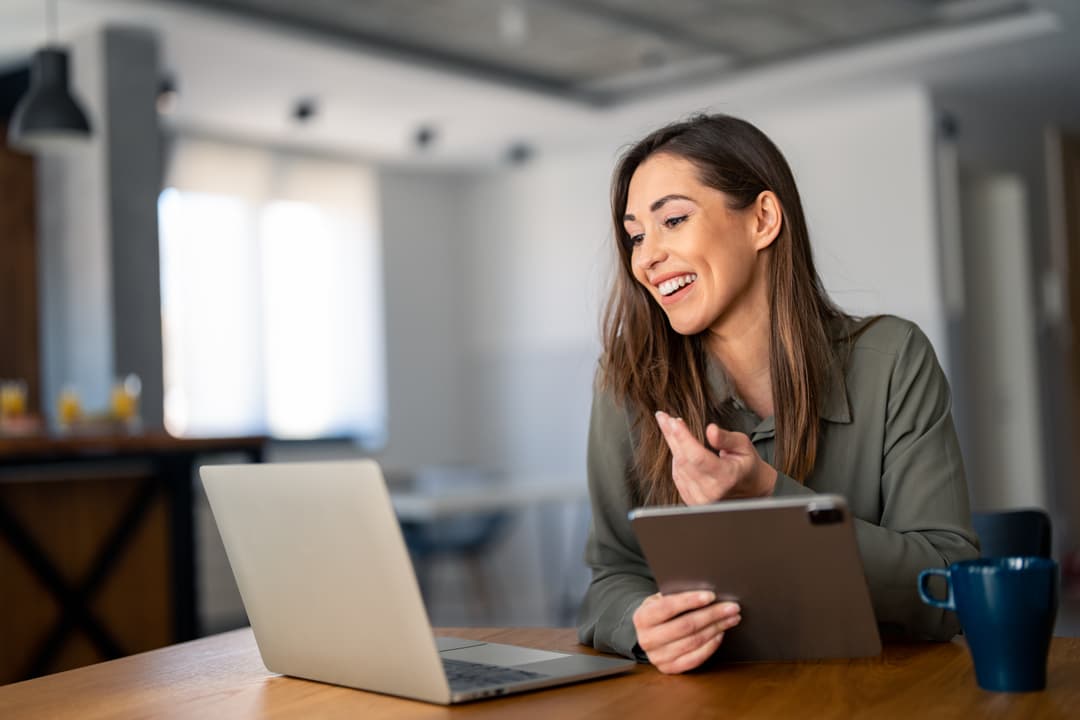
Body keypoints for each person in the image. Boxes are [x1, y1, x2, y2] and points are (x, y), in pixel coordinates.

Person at [576, 114, 979, 675]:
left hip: (878, 694)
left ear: (763, 219)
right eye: (636, 235)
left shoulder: (893, 359)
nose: (645, 258)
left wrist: (767, 494)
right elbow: (612, 577)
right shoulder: (627, 380)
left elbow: (951, 586)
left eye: (672, 219)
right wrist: (641, 622)